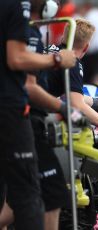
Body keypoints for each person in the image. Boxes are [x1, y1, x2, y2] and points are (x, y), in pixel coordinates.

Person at [0, 1, 76, 230]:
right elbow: (22, 71)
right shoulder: (26, 26)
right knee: (41, 194)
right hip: (19, 117)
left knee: (20, 195)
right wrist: (58, 60)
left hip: (17, 116)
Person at [47, 18, 98, 134]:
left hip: (19, 104)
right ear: (86, 47)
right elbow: (76, 104)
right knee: (84, 127)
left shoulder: (47, 49)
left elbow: (67, 96)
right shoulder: (71, 62)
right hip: (36, 114)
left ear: (62, 37)